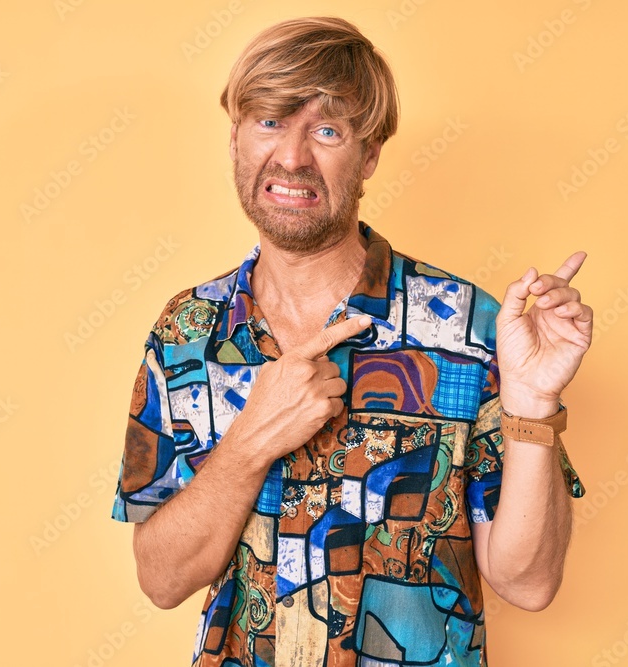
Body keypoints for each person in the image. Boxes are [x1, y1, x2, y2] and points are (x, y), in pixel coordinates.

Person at [111, 16, 590, 667]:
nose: (292, 156)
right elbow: (161, 578)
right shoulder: (187, 330)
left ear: (368, 156)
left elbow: (528, 581)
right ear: (235, 140)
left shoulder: (471, 331)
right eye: (270, 122)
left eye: (327, 130)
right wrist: (253, 438)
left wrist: (532, 405)